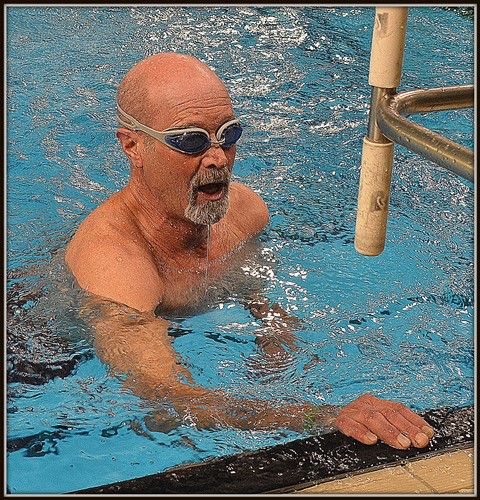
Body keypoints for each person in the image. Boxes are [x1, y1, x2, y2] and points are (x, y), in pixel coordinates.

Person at [65, 52, 434, 449]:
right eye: (190, 141)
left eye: (229, 134)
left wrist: (271, 322)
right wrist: (325, 416)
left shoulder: (244, 212)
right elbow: (166, 401)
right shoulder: (114, 267)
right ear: (132, 146)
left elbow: (249, 279)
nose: (218, 158)